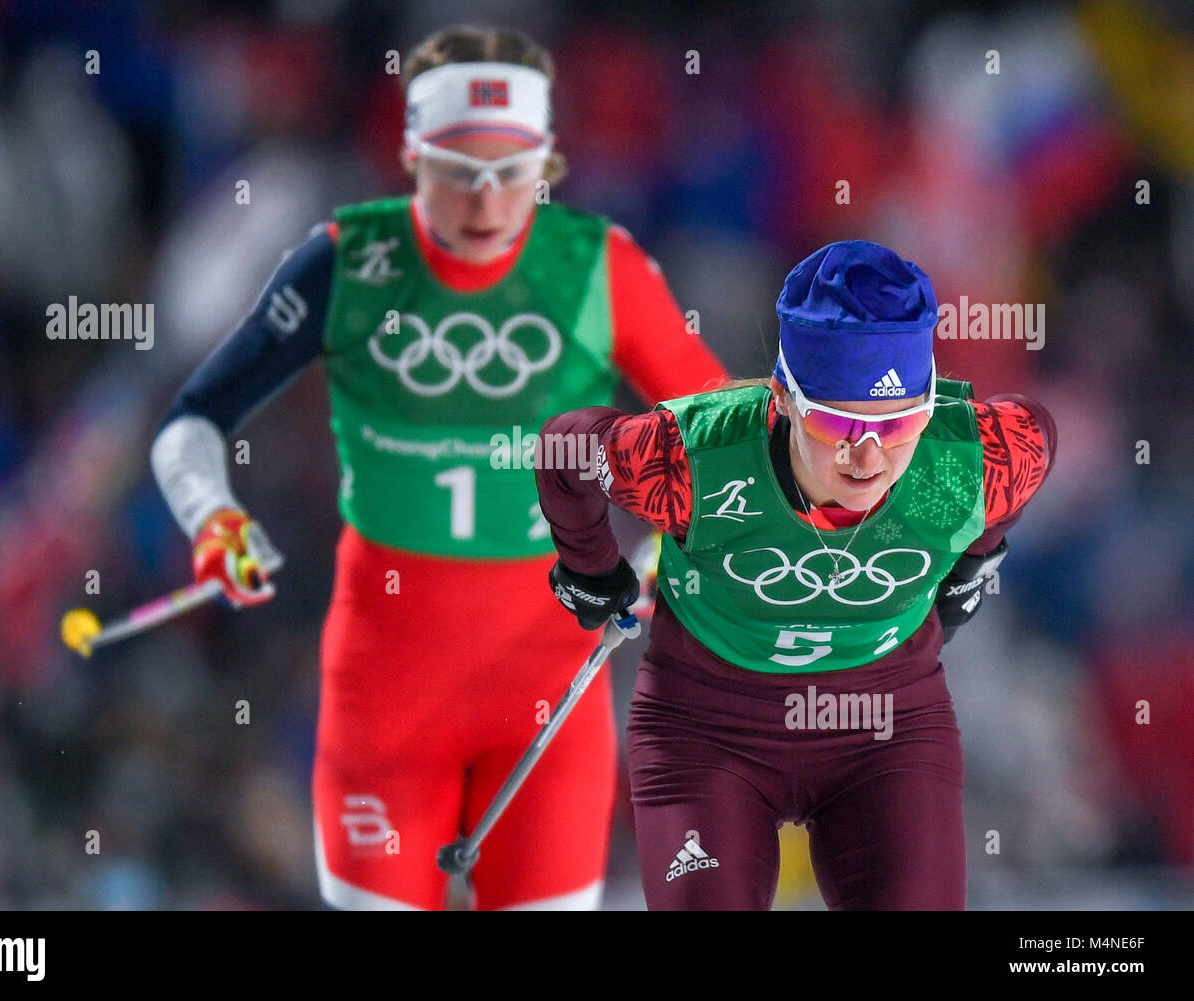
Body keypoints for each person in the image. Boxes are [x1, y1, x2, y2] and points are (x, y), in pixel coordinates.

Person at [149, 24, 726, 910]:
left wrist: (664, 552)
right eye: (459, 169)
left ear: (549, 166)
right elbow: (190, 423)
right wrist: (211, 517)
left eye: (512, 171)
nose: (487, 201)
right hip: (387, 694)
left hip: (548, 691)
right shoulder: (346, 263)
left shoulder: (597, 267)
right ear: (413, 155)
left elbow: (731, 441)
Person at [536, 240, 1057, 909]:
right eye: (839, 423)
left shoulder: (966, 461)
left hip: (883, 731)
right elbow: (562, 449)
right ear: (781, 397)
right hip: (708, 732)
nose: (868, 457)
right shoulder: (694, 460)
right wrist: (590, 566)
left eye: (897, 425)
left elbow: (1035, 444)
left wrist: (978, 558)